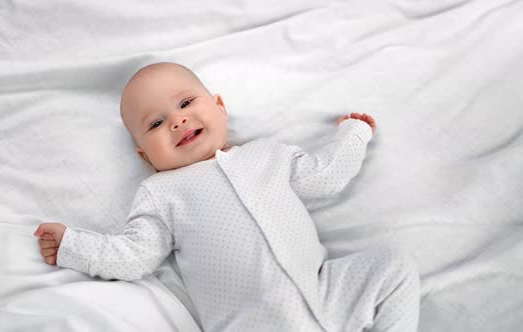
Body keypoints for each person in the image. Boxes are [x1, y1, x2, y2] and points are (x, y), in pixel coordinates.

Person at [34, 62, 420, 332]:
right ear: (145, 157)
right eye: (155, 123)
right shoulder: (160, 192)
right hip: (249, 322)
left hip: (327, 293)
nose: (177, 120)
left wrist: (353, 135)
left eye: (186, 103)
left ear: (219, 107)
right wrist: (73, 246)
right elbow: (136, 255)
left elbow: (326, 176)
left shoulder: (267, 154)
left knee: (394, 265)